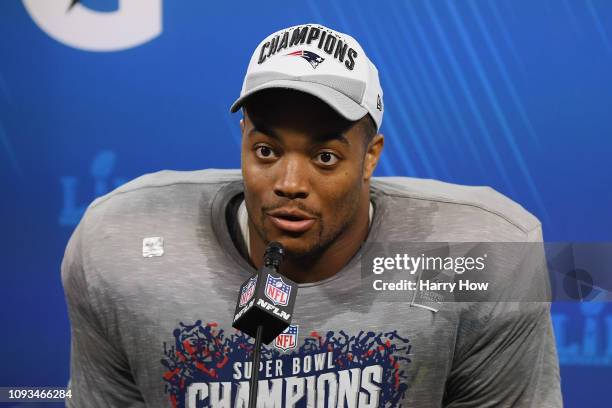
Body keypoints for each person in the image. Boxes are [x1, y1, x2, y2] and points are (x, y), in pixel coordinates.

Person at [61, 23, 562, 407]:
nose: (290, 184)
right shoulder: (120, 244)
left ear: (370, 157)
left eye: (325, 157)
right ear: (242, 142)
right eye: (265, 151)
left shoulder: (481, 256)